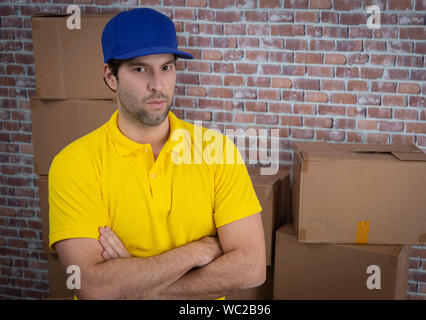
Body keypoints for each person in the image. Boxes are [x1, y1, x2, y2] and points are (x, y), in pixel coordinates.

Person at [48, 7, 266, 300]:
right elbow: (92, 286)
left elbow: (251, 268)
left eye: (166, 67)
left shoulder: (217, 151)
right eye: (140, 69)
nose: (157, 84)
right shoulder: (75, 164)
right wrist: (197, 251)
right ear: (111, 76)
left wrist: (138, 288)